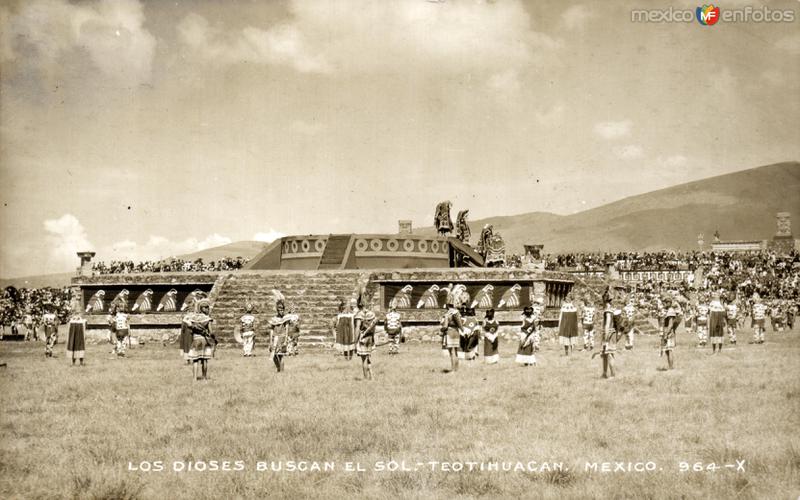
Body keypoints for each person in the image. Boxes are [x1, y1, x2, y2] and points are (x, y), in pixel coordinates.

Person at [268, 291, 299, 373]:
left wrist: (285, 340)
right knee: (274, 356)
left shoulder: (286, 318)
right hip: (275, 338)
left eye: (282, 309)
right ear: (277, 310)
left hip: (282, 338)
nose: (281, 311)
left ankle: (281, 371)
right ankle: (278, 367)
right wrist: (270, 341)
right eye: (279, 310)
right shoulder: (273, 319)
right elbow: (271, 330)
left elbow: (287, 329)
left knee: (280, 355)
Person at [187, 299, 215, 381]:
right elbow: (211, 331)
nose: (208, 309)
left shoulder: (193, 318)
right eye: (207, 308)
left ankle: (194, 378)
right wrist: (212, 336)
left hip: (195, 340)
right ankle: (204, 377)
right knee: (204, 360)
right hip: (204, 340)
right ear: (203, 308)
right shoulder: (207, 319)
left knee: (195, 360)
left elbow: (191, 329)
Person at [440, 286, 466, 373]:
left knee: (452, 353)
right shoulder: (455, 312)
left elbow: (447, 325)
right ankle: (456, 369)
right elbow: (459, 324)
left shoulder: (450, 313)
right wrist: (462, 330)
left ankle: (453, 370)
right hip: (455, 332)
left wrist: (442, 329)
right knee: (455, 352)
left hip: (450, 332)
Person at [356, 307, 377, 380]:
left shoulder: (360, 314)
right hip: (370, 337)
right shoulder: (372, 314)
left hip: (363, 337)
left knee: (364, 359)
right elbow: (374, 328)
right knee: (367, 357)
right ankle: (372, 376)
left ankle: (365, 378)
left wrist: (355, 340)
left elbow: (357, 328)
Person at [660, 297, 677, 370]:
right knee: (666, 350)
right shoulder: (667, 310)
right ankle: (670, 366)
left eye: (665, 302)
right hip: (665, 330)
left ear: (669, 303)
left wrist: (666, 334)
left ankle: (671, 367)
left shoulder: (671, 311)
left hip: (669, 331)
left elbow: (670, 324)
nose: (664, 304)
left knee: (669, 350)